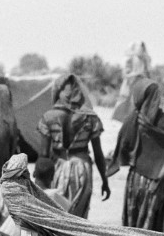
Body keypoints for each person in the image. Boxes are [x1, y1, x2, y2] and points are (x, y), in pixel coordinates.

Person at [112, 78, 164, 233]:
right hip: (161, 183)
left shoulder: (132, 121)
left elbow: (123, 151)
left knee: (134, 229)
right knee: (158, 231)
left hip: (136, 181)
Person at [37, 74, 110, 217]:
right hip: (83, 169)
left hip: (57, 169)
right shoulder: (90, 117)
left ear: (57, 92)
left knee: (57, 215)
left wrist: (38, 183)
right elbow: (98, 153)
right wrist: (104, 180)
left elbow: (43, 155)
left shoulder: (48, 117)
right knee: (78, 218)